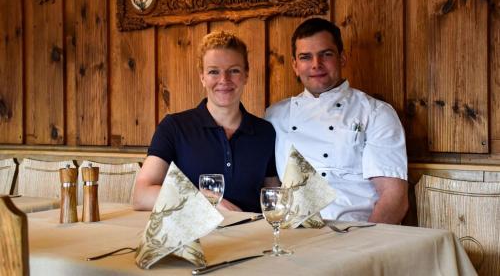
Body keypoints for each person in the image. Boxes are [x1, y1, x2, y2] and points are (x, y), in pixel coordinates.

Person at [265, 18, 408, 223]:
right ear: (295, 66)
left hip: (355, 233)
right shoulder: (275, 116)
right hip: (294, 236)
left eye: (326, 54)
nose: (316, 65)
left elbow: (394, 199)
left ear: (341, 58)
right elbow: (269, 186)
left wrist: (366, 248)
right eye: (306, 57)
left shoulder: (376, 113)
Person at [133, 31, 279, 212]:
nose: (224, 80)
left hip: (255, 236)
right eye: (213, 72)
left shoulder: (265, 132)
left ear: (246, 75)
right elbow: (141, 195)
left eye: (234, 70)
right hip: (195, 239)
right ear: (202, 77)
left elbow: (273, 198)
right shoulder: (174, 127)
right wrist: (208, 203)